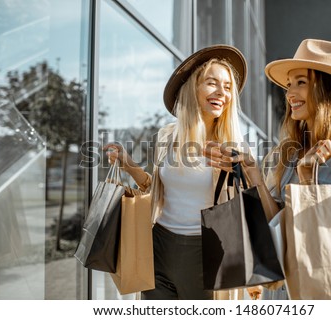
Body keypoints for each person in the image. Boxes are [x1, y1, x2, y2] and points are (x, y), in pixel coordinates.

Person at [205, 38, 331, 299]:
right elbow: (277, 223)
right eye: (289, 85)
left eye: (301, 83)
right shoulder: (291, 152)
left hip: (326, 285)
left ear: (329, 89)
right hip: (286, 286)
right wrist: (254, 174)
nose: (290, 94)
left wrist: (307, 182)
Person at [103, 44, 248, 300]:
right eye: (212, 83)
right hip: (158, 245)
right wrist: (128, 165)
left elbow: (245, 208)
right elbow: (157, 189)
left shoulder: (231, 146)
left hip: (205, 254)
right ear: (194, 88)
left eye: (227, 87)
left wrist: (237, 169)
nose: (221, 93)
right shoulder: (167, 136)